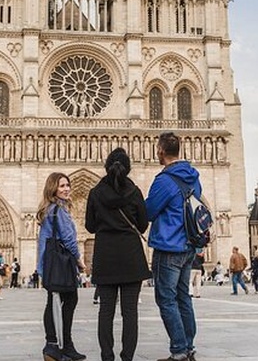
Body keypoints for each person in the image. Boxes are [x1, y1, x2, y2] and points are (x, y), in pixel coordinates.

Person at [85, 147, 151, 361]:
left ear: (106, 167)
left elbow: (90, 226)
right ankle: (127, 357)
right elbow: (142, 225)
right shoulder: (135, 192)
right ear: (128, 169)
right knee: (130, 312)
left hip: (105, 257)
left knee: (105, 311)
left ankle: (107, 356)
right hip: (131, 257)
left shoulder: (95, 193)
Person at [145, 131, 201, 361]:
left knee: (166, 299)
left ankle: (179, 350)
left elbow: (149, 211)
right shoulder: (193, 176)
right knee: (183, 297)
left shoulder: (165, 180)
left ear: (160, 151)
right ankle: (188, 345)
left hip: (170, 246)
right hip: (189, 245)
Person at [37, 172, 86, 361]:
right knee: (69, 301)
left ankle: (55, 346)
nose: (66, 189)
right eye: (62, 186)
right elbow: (69, 240)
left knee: (53, 303)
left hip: (50, 264)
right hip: (61, 264)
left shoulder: (48, 209)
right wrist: (79, 260)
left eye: (68, 185)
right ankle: (60, 346)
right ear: (53, 189)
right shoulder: (58, 211)